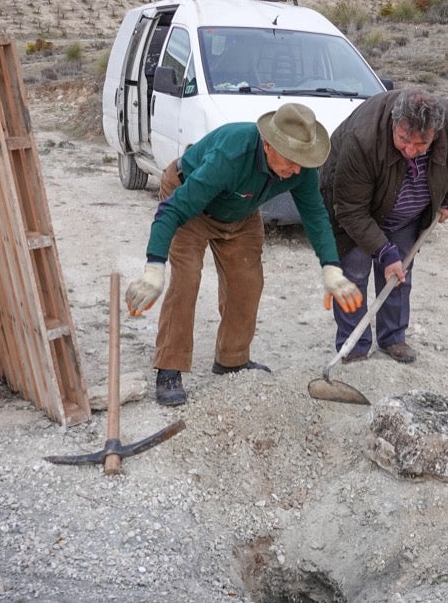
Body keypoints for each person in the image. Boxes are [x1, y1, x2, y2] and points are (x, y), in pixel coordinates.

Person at [125, 103, 363, 406]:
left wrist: (331, 268)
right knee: (186, 279)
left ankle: (232, 359)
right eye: (291, 161)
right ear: (268, 145)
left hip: (241, 211)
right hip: (191, 203)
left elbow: (315, 216)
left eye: (303, 162)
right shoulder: (232, 156)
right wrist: (153, 268)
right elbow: (172, 210)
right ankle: (170, 367)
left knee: (247, 282)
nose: (297, 170)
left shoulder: (300, 167)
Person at [320, 88, 448, 364]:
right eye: (403, 139)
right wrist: (383, 251)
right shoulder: (362, 138)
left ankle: (393, 338)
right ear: (394, 121)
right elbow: (351, 210)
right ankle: (353, 344)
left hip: (407, 214)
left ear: (435, 133)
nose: (409, 150)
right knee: (354, 273)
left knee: (398, 276)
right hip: (354, 209)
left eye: (421, 145)